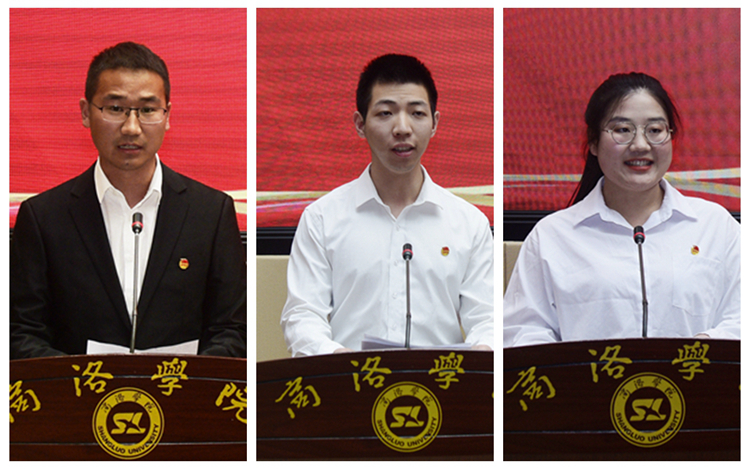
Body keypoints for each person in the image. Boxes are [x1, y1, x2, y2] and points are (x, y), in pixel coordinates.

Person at [10, 42, 246, 359]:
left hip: (180, 389)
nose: (131, 128)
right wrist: (81, 379)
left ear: (167, 115)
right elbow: (22, 333)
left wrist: (190, 379)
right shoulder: (43, 217)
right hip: (81, 389)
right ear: (85, 112)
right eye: (115, 108)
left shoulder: (211, 213)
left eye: (147, 110)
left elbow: (232, 330)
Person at [504, 72, 740, 347]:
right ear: (593, 142)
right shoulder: (552, 236)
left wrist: (706, 346)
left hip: (694, 374)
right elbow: (522, 332)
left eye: (655, 130)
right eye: (623, 130)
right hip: (590, 377)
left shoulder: (715, 226)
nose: (640, 145)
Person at [281, 54, 494, 356]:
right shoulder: (322, 218)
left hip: (442, 382)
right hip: (352, 379)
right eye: (385, 113)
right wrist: (336, 360)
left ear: (434, 123)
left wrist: (483, 350)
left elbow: (487, 316)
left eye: (417, 113)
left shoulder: (469, 223)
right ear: (360, 124)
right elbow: (302, 315)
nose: (402, 128)